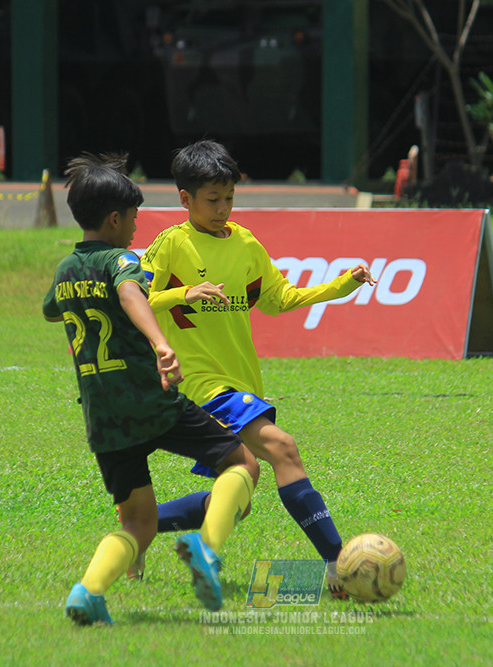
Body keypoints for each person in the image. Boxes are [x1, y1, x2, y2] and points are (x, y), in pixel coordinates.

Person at [138, 139, 375, 599]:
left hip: (239, 380)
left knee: (240, 492)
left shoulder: (246, 243)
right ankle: (336, 564)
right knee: (283, 449)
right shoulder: (171, 245)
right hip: (199, 383)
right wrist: (182, 294)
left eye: (229, 197)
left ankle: (139, 527)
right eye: (213, 199)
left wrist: (341, 285)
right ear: (185, 198)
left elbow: (279, 298)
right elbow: (134, 298)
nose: (223, 208)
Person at [43, 152, 260, 624]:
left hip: (101, 415)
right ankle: (208, 547)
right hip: (147, 399)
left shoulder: (64, 270)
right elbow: (128, 291)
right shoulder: (121, 259)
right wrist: (161, 343)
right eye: (136, 217)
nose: (138, 227)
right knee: (242, 463)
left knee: (139, 522)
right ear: (116, 218)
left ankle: (89, 591)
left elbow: (52, 310)